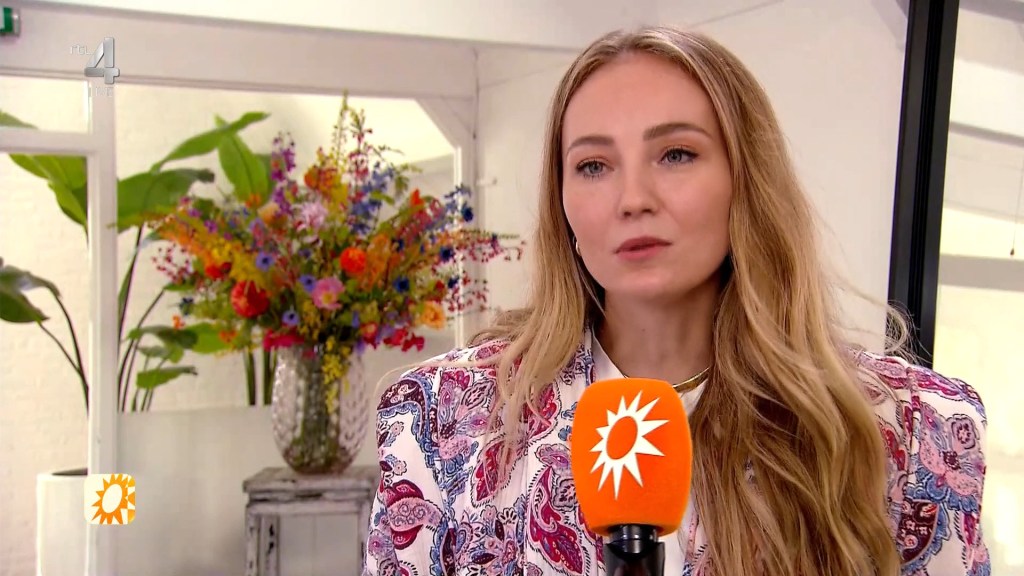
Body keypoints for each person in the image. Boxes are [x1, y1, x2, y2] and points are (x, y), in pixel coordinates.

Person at [361, 26, 989, 576]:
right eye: (593, 165)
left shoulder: (908, 429)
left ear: (746, 180)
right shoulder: (444, 421)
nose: (633, 198)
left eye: (676, 154)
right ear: (562, 202)